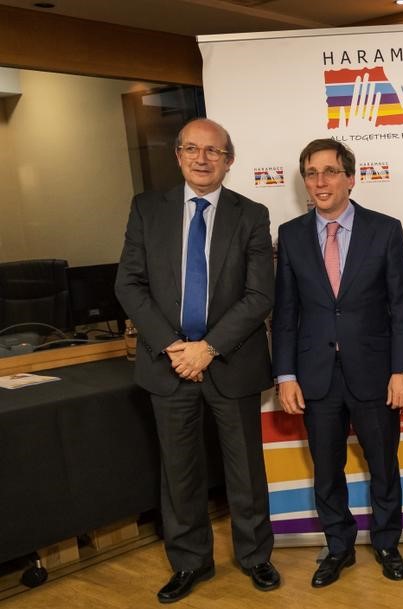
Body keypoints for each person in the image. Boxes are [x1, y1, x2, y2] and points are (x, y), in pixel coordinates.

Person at [115, 118, 279, 603]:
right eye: (191, 148)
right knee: (179, 472)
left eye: (213, 151)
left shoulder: (252, 214)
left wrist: (208, 348)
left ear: (229, 161)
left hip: (231, 361)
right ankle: (189, 563)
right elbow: (129, 284)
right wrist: (173, 345)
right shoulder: (147, 209)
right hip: (168, 364)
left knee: (245, 470)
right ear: (178, 155)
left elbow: (259, 295)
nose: (201, 159)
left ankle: (255, 556)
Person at [272, 138, 403, 587]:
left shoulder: (385, 230)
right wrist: (286, 374)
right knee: (326, 469)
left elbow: (401, 307)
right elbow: (285, 313)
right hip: (316, 376)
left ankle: (387, 543)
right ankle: (338, 547)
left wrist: (402, 369)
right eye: (311, 173)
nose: (320, 181)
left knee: (383, 465)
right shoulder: (291, 235)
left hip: (374, 372)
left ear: (351, 178)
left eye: (330, 171)